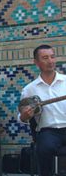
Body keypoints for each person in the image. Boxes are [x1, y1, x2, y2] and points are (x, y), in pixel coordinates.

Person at [18, 44, 66, 176]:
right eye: (45, 58)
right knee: (44, 149)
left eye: (52, 57)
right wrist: (25, 116)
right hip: (48, 132)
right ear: (36, 62)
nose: (50, 61)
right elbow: (21, 116)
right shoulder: (30, 89)